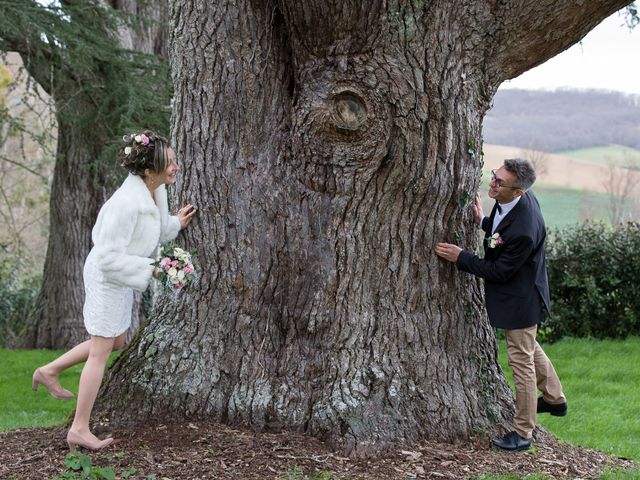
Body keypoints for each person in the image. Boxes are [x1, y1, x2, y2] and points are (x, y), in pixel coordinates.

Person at [31, 131, 197, 451]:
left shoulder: (154, 190)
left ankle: (49, 370)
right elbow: (107, 259)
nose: (176, 167)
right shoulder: (125, 203)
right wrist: (153, 270)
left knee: (117, 340)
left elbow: (155, 230)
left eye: (175, 160)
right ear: (149, 170)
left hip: (121, 276)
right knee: (101, 350)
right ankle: (79, 428)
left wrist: (175, 223)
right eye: (170, 163)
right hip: (107, 277)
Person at [434, 158, 567, 452]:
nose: (492, 183)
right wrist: (484, 222)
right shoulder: (514, 199)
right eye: (495, 175)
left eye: (499, 182)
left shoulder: (523, 227)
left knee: (522, 365)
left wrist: (461, 257)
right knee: (528, 346)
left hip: (520, 298)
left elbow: (500, 270)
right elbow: (499, 234)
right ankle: (555, 400)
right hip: (521, 292)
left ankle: (522, 434)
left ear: (518, 191)